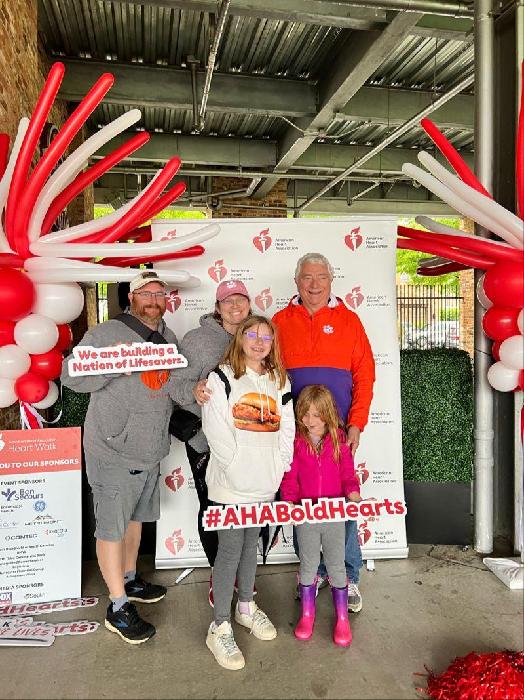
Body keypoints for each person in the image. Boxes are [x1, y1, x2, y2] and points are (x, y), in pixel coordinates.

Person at [61, 270, 179, 645]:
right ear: (132, 297)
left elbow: (171, 383)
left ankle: (129, 579)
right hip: (113, 450)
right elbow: (69, 375)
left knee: (135, 520)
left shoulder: (168, 336)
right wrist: (114, 365)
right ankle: (117, 606)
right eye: (146, 293)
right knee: (112, 528)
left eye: (160, 294)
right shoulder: (106, 334)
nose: (154, 300)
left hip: (150, 449)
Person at [272, 252, 375, 613]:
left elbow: (365, 374)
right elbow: (268, 373)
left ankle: (348, 574)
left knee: (343, 500)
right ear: (296, 282)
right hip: (295, 433)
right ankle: (312, 573)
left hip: (337, 433)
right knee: (302, 500)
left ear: (331, 281)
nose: (314, 285)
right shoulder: (280, 321)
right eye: (307, 277)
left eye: (321, 277)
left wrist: (357, 422)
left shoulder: (349, 321)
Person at [202, 315, 295, 671]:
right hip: (230, 485)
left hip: (263, 484)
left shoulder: (279, 379)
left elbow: (286, 427)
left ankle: (245, 607)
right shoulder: (221, 377)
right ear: (240, 338)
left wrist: (279, 467)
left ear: (273, 344)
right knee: (229, 550)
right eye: (252, 335)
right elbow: (215, 428)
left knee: (250, 546)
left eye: (266, 337)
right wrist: (237, 468)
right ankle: (219, 625)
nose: (259, 342)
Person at [168, 279, 252, 606]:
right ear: (217, 307)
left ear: (249, 304)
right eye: (228, 301)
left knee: (248, 510)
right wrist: (193, 389)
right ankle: (220, 577)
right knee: (214, 509)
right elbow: (173, 386)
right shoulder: (197, 340)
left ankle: (242, 575)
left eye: (240, 299)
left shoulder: (258, 335)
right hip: (206, 442)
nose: (235, 306)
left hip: (249, 442)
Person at [280, 385, 361, 647]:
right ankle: (307, 615)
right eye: (305, 414)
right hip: (306, 516)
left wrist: (354, 495)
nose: (309, 420)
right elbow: (290, 477)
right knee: (308, 564)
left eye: (316, 415)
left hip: (334, 515)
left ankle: (342, 619)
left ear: (327, 414)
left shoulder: (340, 440)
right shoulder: (295, 442)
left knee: (337, 564)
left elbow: (348, 476)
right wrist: (289, 503)